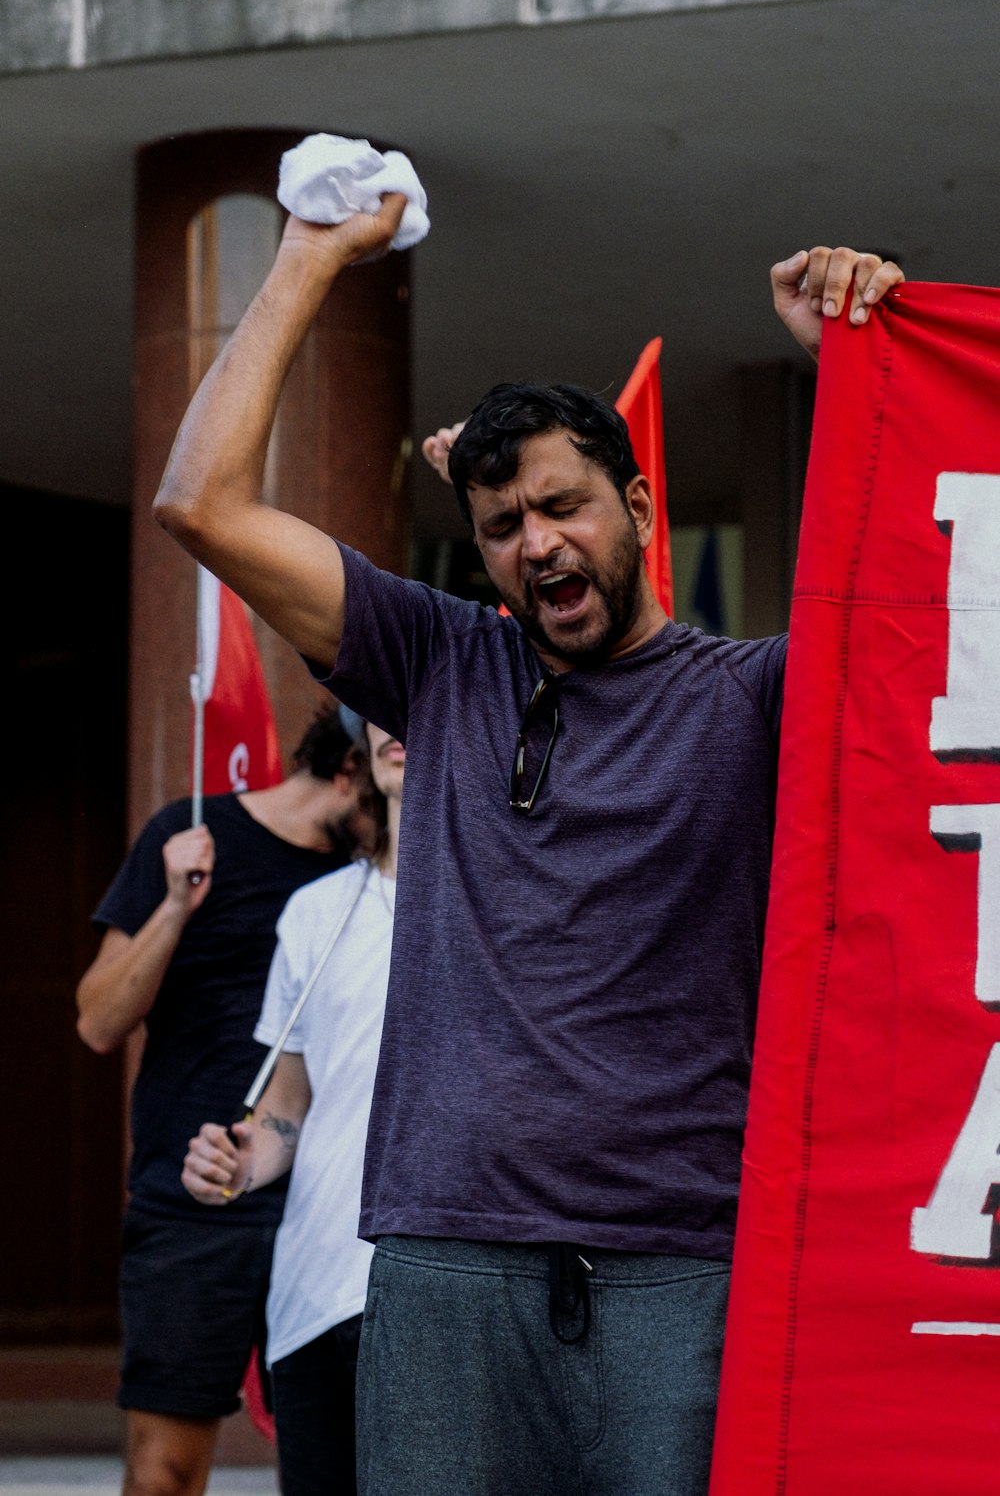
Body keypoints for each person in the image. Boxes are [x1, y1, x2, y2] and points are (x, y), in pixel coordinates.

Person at [150, 196, 903, 1496]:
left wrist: (865, 372)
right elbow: (201, 506)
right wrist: (311, 253)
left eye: (565, 508)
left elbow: (931, 610)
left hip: (683, 1262)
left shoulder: (758, 694)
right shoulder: (443, 660)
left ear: (642, 504)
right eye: (502, 527)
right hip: (446, 1260)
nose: (537, 544)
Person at [76, 707, 373, 1496]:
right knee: (165, 1474)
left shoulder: (369, 879)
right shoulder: (192, 833)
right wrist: (175, 903)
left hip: (323, 1209)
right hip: (192, 1196)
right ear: (352, 764)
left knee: (329, 1461)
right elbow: (99, 1021)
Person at [179, 715, 404, 1496]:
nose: (393, 719)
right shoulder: (315, 911)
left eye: (416, 697)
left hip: (450, 1295)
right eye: (378, 705)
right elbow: (290, 1104)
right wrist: (240, 1162)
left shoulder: (511, 901)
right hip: (316, 1292)